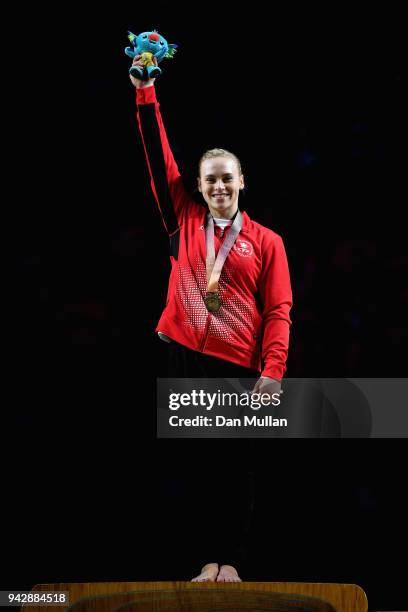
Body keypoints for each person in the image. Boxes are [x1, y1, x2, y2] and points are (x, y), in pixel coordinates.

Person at [129, 55, 292, 582]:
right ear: (198, 186)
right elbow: (158, 156)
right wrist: (145, 92)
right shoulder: (183, 217)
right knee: (196, 465)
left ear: (242, 180)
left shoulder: (268, 242)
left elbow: (279, 310)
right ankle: (205, 561)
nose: (219, 187)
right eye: (209, 181)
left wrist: (273, 371)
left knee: (238, 466)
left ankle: (234, 563)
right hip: (182, 354)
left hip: (239, 367)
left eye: (227, 179)